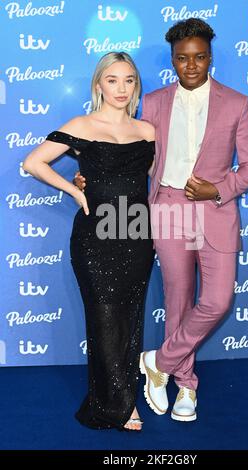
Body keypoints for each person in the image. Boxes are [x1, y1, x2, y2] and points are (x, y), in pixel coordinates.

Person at [75, 18, 248, 423]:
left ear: (210, 57)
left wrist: (218, 189)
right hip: (167, 209)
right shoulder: (155, 102)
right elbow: (133, 153)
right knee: (177, 301)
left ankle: (159, 361)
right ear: (173, 61)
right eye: (182, 58)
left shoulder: (237, 103)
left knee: (216, 300)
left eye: (198, 57)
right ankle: (185, 385)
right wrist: (91, 175)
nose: (191, 65)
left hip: (214, 210)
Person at [23, 52, 155, 432]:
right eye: (112, 80)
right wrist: (75, 190)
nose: (121, 88)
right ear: (99, 84)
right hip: (95, 236)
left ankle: (122, 397)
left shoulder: (147, 131)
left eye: (128, 80)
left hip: (135, 233)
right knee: (103, 318)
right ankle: (116, 405)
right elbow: (35, 162)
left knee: (130, 317)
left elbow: (156, 176)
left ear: (136, 86)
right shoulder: (82, 124)